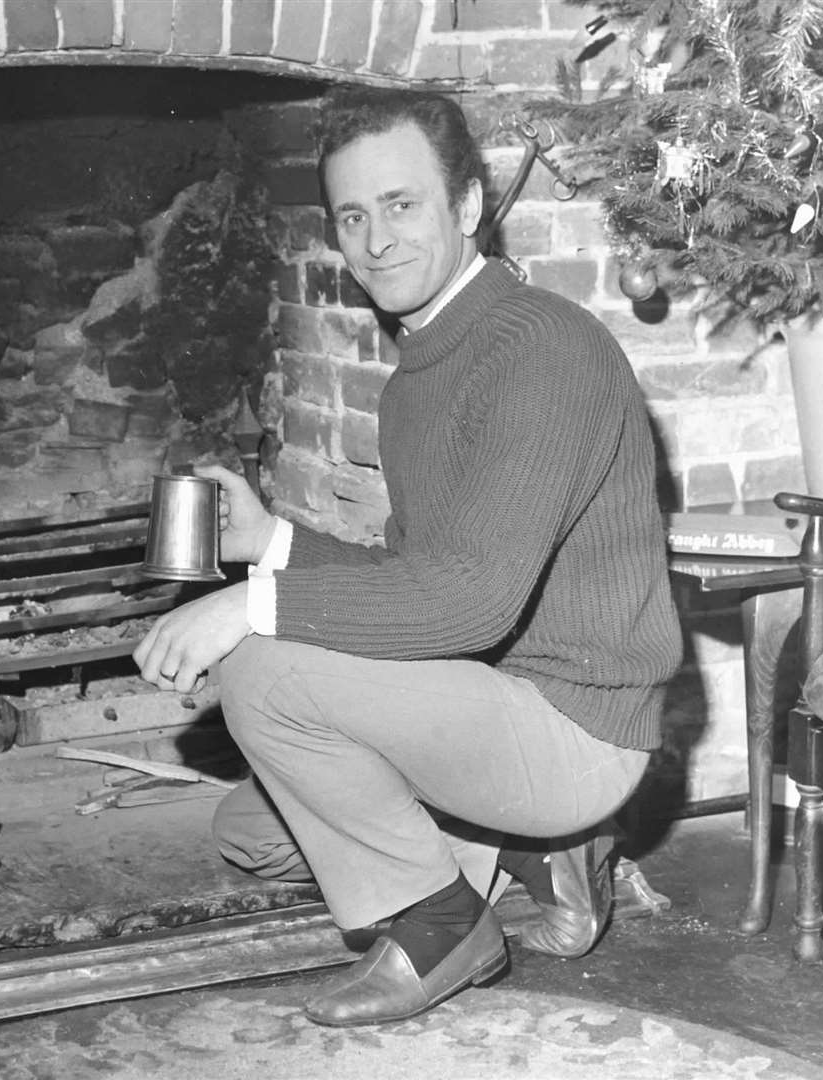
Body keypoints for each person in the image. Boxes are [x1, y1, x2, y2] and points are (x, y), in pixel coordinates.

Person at [133, 87, 682, 1027]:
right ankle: (532, 851)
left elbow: (465, 604)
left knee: (262, 673)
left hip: (576, 729)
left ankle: (444, 931)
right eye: (353, 215)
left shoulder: (540, 349)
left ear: (467, 208)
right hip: (488, 697)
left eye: (401, 205)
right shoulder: (420, 373)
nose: (376, 240)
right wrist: (274, 543)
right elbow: (416, 581)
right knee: (252, 836)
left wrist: (248, 608)